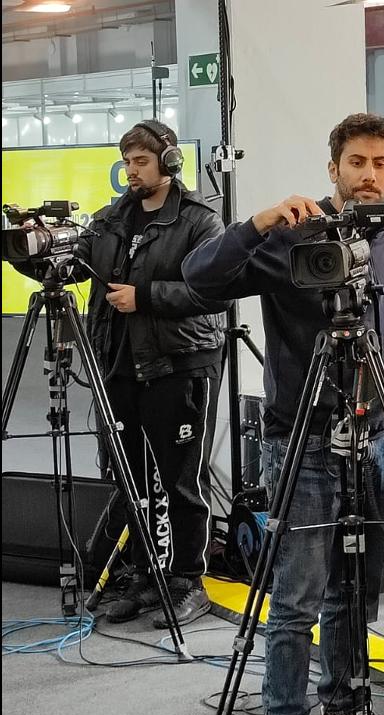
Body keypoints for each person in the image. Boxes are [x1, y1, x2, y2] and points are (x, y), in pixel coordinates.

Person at [183, 113, 384, 715]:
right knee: (298, 598)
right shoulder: (292, 236)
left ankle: (343, 712)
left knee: (356, 592)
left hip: (373, 436)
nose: (368, 175)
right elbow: (201, 279)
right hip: (304, 441)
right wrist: (257, 222)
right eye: (356, 163)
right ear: (333, 169)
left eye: (379, 163)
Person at [11, 120, 229, 628]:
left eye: (140, 161)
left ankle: (185, 580)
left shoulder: (200, 222)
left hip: (180, 364)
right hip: (121, 366)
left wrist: (146, 297)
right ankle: (144, 574)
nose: (130, 171)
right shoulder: (112, 220)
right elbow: (68, 270)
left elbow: (216, 292)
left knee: (181, 481)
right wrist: (30, 251)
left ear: (169, 163)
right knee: (131, 480)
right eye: (126, 161)